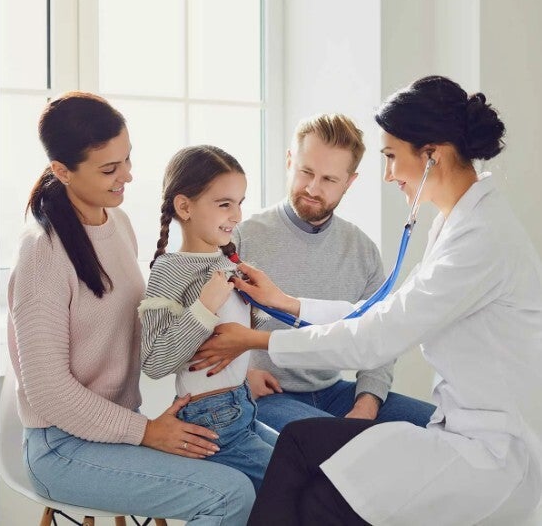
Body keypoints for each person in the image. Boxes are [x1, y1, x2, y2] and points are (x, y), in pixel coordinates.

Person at [192, 76, 542, 525]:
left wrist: (258, 341)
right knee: (318, 486)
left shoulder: (479, 239)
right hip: (468, 432)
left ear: (432, 156)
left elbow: (378, 336)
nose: (388, 174)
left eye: (392, 156)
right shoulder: (460, 225)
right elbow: (381, 317)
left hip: (490, 450)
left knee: (313, 467)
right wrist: (289, 304)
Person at [6, 92, 256, 524]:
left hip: (120, 427)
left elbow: (156, 333)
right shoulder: (41, 253)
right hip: (62, 448)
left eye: (127, 159)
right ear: (62, 171)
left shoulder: (117, 223)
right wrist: (145, 432)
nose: (128, 175)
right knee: (229, 494)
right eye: (109, 169)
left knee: (282, 473)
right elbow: (48, 392)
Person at [233, 113, 435, 431]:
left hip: (335, 392)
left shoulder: (362, 250)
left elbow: (380, 338)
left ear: (349, 182)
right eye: (306, 172)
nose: (313, 188)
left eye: (329, 180)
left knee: (438, 426)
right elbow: (206, 327)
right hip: (268, 393)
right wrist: (241, 376)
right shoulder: (242, 238)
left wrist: (367, 402)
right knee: (334, 441)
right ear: (290, 161)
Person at [139, 145, 277, 492]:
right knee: (297, 484)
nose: (238, 215)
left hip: (243, 404)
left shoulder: (228, 263)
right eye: (225, 204)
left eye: (240, 202)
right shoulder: (169, 270)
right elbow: (154, 362)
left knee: (309, 466)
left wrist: (258, 304)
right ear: (185, 207)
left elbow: (236, 338)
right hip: (212, 418)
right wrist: (203, 306)